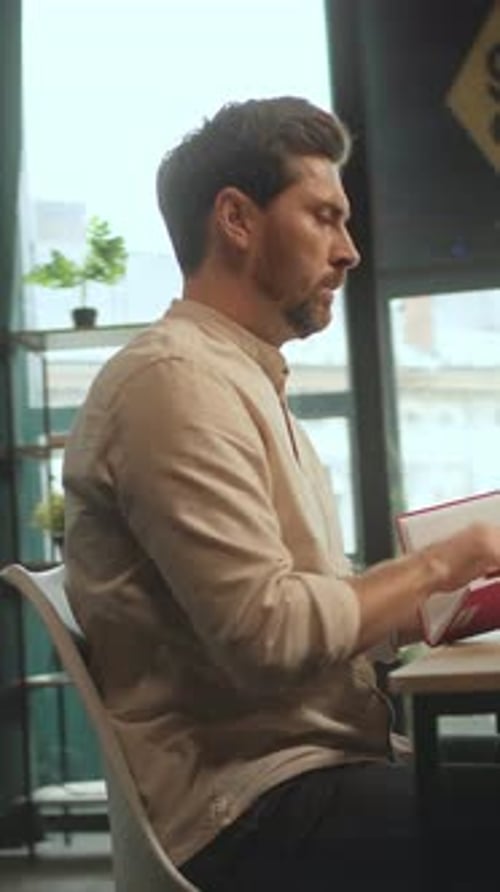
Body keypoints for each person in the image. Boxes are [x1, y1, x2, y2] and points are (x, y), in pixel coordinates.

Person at [63, 97, 500, 891]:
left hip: (311, 775)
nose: (351, 252)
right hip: (252, 813)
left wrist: (459, 592)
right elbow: (267, 638)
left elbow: (310, 614)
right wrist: (443, 565)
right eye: (324, 217)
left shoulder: (237, 379)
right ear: (236, 218)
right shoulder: (173, 384)